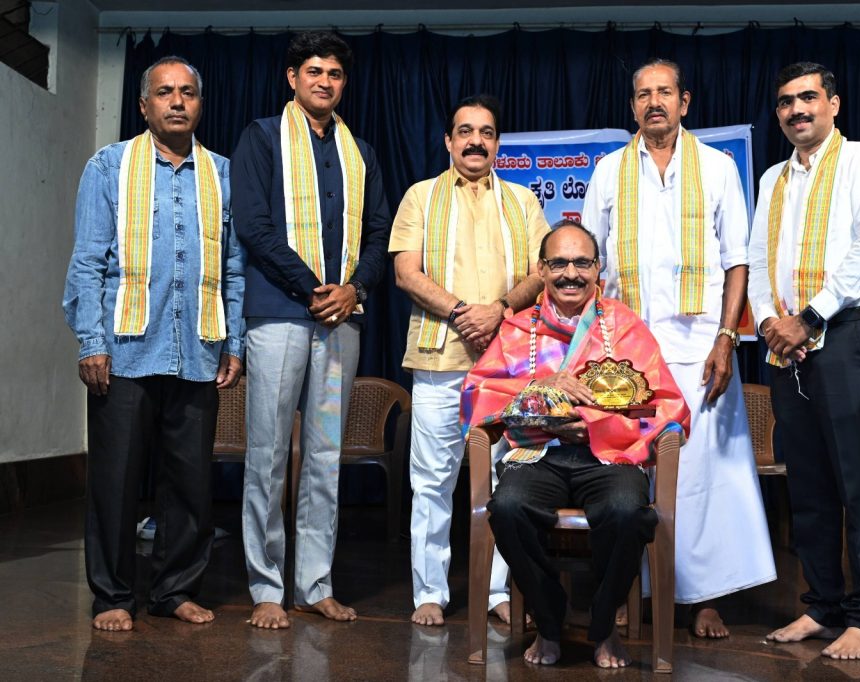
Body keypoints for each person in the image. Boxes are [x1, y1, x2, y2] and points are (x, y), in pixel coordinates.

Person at [581, 58, 776, 637]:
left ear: (684, 101)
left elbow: (737, 261)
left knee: (702, 475)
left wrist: (726, 338)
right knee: (626, 472)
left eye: (664, 92)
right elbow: (590, 263)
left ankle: (704, 598)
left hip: (700, 351)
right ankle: (628, 589)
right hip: (624, 352)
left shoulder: (717, 168)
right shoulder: (608, 172)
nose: (654, 102)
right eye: (644, 94)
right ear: (633, 106)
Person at [63, 56, 245, 632]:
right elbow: (87, 262)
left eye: (187, 92)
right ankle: (113, 596)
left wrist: (234, 340)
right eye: (164, 92)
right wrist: (91, 341)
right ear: (144, 106)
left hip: (198, 350)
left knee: (189, 483)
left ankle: (175, 590)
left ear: (200, 104)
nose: (177, 101)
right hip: (123, 352)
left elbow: (234, 267)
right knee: (115, 481)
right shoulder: (109, 166)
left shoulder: (223, 173)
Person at [462, 221, 689, 667]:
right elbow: (476, 394)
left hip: (609, 455)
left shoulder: (624, 327)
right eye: (560, 263)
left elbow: (664, 404)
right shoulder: (517, 329)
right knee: (507, 509)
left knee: (627, 512)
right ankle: (551, 621)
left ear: (598, 268)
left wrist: (596, 423)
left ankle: (603, 626)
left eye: (582, 262)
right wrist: (541, 388)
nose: (571, 273)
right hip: (537, 454)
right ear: (541, 270)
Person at [231, 31, 391, 629]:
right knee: (268, 453)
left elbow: (379, 232)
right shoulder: (261, 137)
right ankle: (266, 586)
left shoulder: (361, 151)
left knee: (325, 454)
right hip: (278, 316)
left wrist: (355, 289)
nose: (325, 81)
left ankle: (315, 583)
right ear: (292, 78)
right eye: (314, 71)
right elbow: (253, 224)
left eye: (335, 74)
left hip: (340, 323)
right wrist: (314, 288)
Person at [748, 62, 860, 660]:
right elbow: (759, 261)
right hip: (784, 343)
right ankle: (821, 606)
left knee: (855, 482)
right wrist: (770, 322)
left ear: (833, 104)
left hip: (845, 336)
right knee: (808, 483)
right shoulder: (773, 178)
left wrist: (808, 318)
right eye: (786, 102)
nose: (797, 110)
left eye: (808, 97)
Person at [390, 95, 549, 626]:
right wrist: (464, 313)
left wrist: (499, 309)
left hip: (509, 365)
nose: (475, 141)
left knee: (509, 481)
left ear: (497, 143)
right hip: (439, 359)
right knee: (432, 481)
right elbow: (406, 273)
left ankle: (498, 591)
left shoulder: (522, 201)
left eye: (486, 132)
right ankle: (429, 592)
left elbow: (542, 272)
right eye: (465, 131)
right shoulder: (421, 196)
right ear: (448, 141)